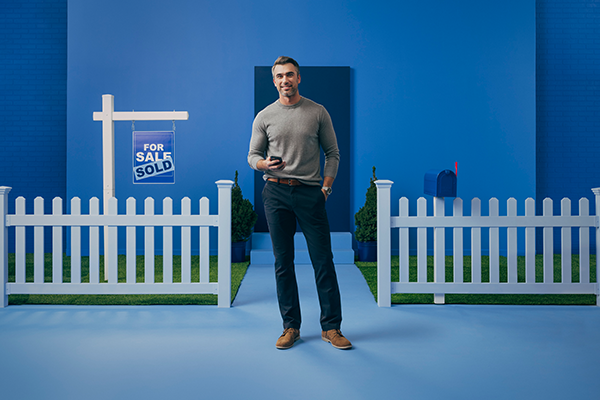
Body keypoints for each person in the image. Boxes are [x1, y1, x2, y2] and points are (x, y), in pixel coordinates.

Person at [248, 56, 352, 350]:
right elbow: (252, 155)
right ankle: (290, 327)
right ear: (274, 81)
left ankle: (331, 327)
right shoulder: (264, 116)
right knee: (283, 262)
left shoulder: (317, 112)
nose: (285, 80)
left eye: (290, 75)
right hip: (275, 193)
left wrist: (326, 189)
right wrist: (263, 164)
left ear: (299, 78)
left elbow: (333, 153)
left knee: (323, 261)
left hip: (309, 193)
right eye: (280, 76)